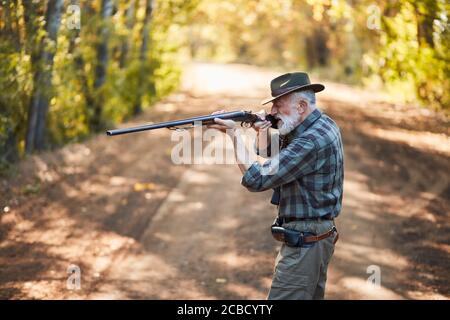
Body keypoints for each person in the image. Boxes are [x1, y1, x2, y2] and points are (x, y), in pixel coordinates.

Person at [208, 72, 344, 300]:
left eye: (278, 106)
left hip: (305, 245)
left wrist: (233, 134)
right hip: (315, 239)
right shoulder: (321, 124)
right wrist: (262, 130)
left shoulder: (310, 141)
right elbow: (273, 150)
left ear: (301, 106)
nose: (272, 112)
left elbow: (257, 178)